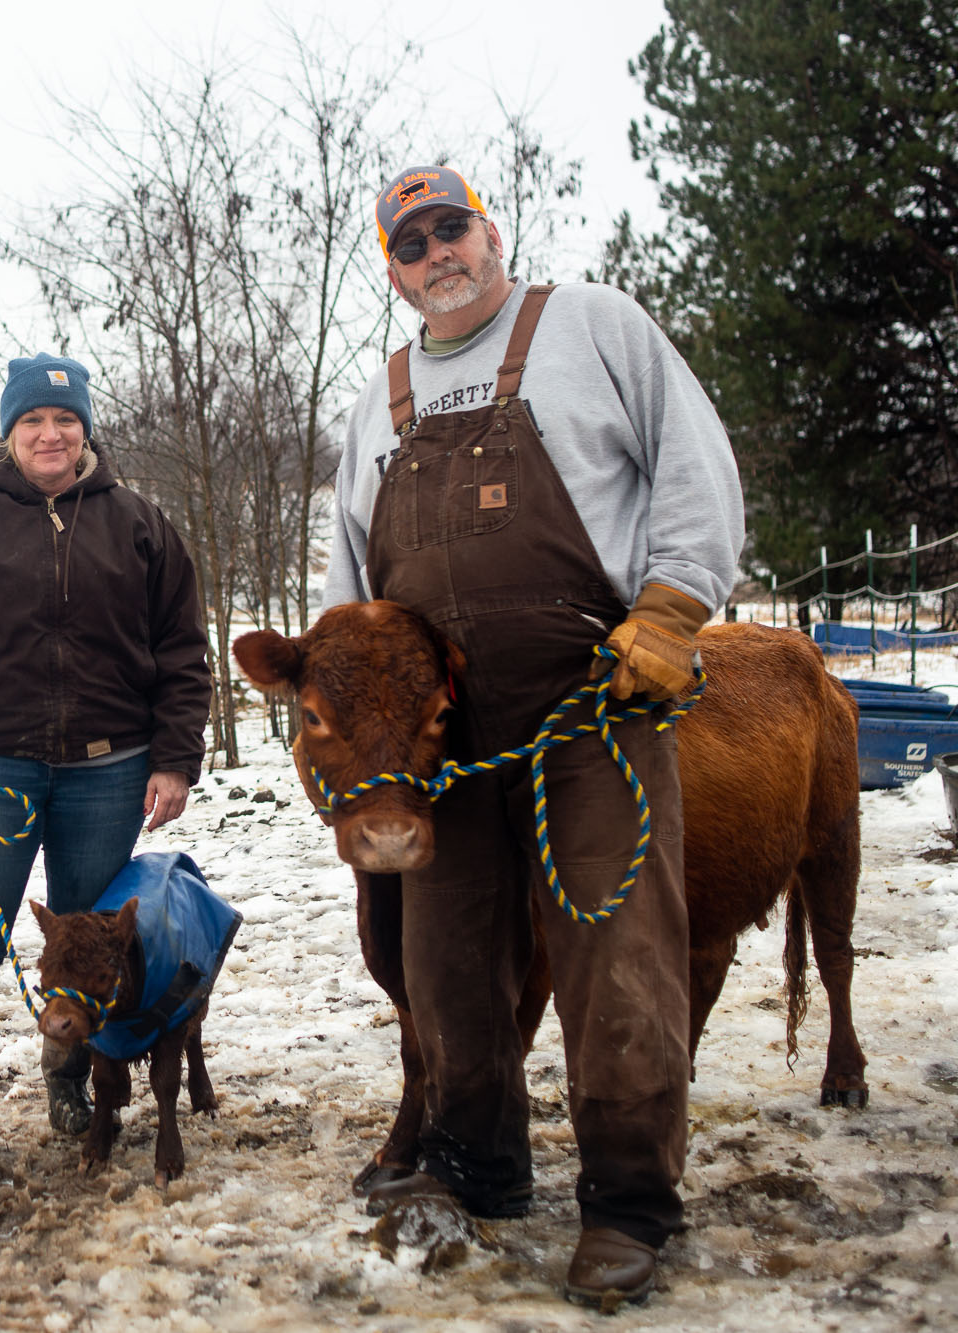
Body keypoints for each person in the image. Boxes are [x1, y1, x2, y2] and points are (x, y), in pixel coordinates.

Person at [328, 165, 743, 1306]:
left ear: (490, 231)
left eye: (449, 229)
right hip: (446, 741)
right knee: (447, 959)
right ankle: (475, 1165)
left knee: (619, 954)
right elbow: (351, 586)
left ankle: (627, 1202)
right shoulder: (380, 397)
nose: (437, 255)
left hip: (594, 706)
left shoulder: (594, 327)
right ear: (393, 271)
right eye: (411, 245)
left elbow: (693, 465)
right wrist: (360, 727)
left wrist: (671, 609)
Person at [0, 352, 213, 1184]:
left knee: (88, 945)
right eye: (33, 419)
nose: (50, 434)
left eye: (66, 420)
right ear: (9, 431)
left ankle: (71, 1087)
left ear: (86, 431)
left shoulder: (139, 523)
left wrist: (175, 758)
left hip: (108, 774)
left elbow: (183, 651)